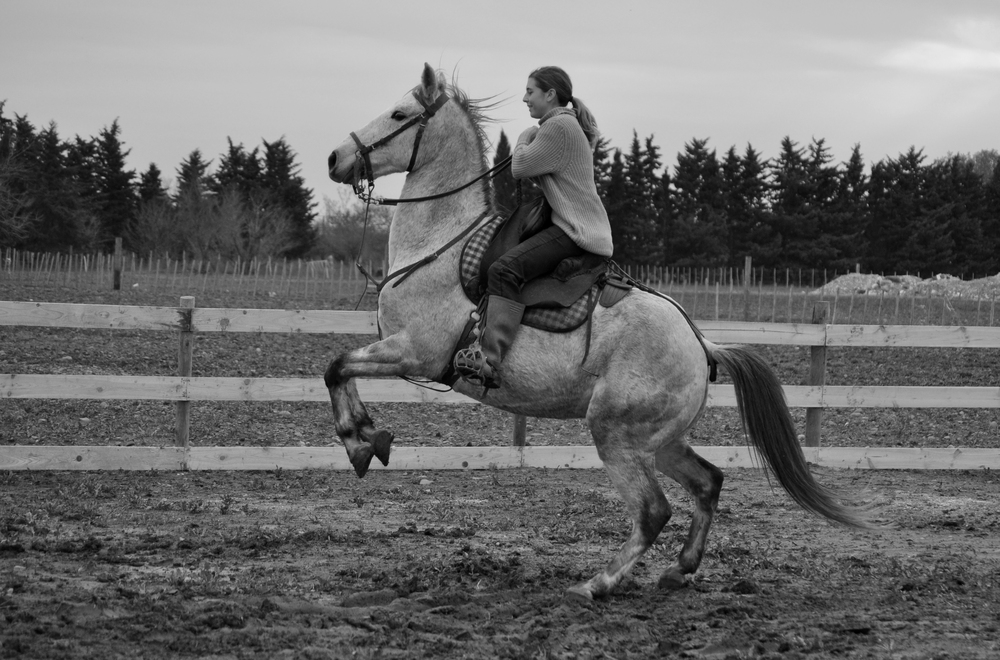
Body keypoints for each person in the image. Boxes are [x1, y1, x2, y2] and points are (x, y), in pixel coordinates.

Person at [454, 66, 614, 389]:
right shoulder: (562, 126)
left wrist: (525, 136)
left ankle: (489, 358)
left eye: (530, 91)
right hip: (574, 227)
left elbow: (519, 166)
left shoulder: (559, 128)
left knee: (503, 270)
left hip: (575, 232)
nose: (525, 98)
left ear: (550, 94)